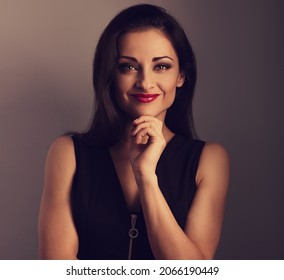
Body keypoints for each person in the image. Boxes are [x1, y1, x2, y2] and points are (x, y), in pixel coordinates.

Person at [38, 4, 229, 260]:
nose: (145, 82)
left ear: (181, 76)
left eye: (161, 66)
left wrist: (146, 176)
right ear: (110, 74)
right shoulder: (67, 153)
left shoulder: (210, 159)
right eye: (128, 67)